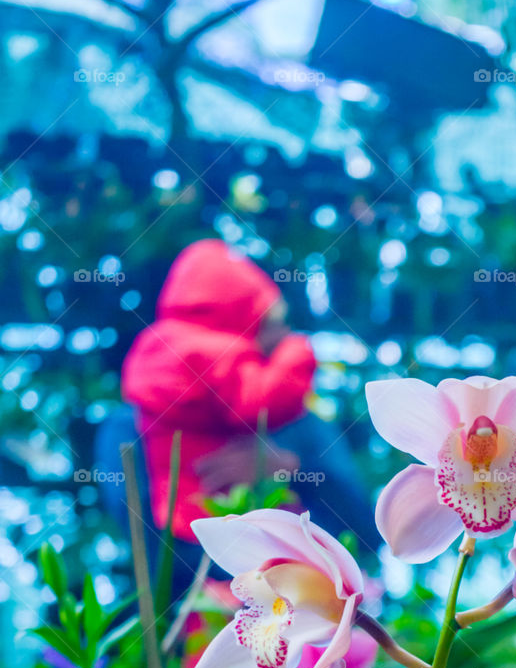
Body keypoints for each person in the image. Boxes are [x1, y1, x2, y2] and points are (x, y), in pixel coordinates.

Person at [118, 239, 380, 595]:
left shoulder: (304, 424)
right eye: (273, 322)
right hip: (201, 608)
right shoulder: (127, 431)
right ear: (240, 322)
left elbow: (364, 532)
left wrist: (291, 470)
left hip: (299, 596)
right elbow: (143, 547)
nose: (283, 335)